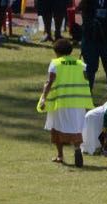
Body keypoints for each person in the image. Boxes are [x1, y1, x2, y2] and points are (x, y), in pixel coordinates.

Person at [41, 39, 93, 168]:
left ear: (57, 52)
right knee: (76, 127)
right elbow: (86, 80)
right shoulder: (81, 64)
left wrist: (43, 98)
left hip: (61, 100)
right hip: (78, 101)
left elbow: (50, 82)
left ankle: (60, 155)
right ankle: (77, 148)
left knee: (56, 127)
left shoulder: (55, 63)